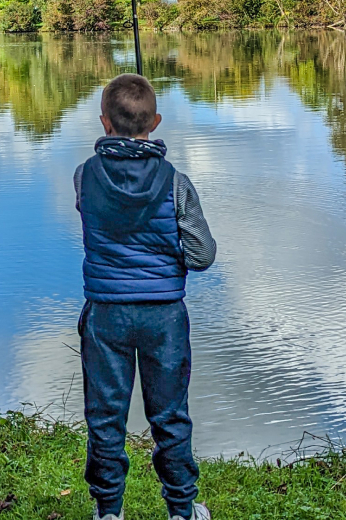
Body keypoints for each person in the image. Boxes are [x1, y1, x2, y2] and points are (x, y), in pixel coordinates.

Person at [73, 73, 216, 520]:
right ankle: (181, 509)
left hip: (105, 314)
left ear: (103, 122)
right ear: (154, 121)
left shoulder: (84, 176)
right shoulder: (176, 182)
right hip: (164, 316)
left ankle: (108, 510)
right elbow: (203, 255)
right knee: (170, 416)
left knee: (105, 416)